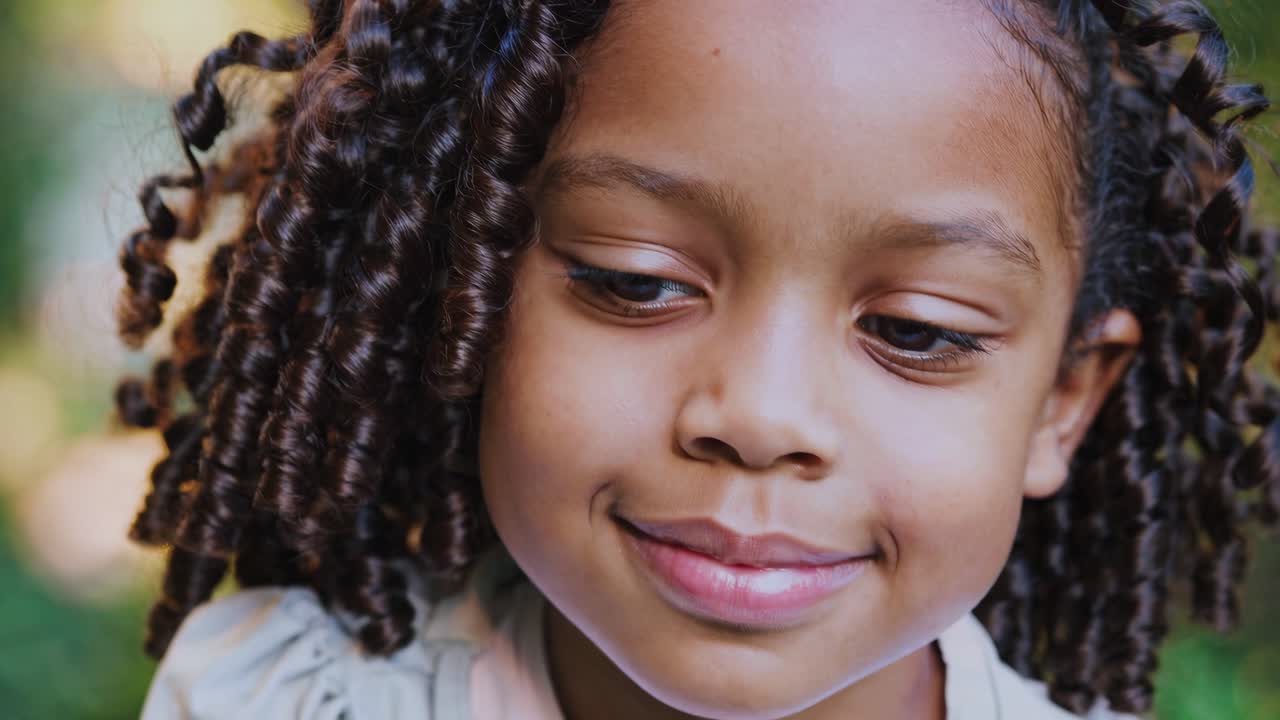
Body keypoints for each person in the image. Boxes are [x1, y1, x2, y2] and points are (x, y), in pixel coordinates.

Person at [113, 0, 1280, 717]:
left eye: (916, 330)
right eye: (634, 280)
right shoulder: (265, 704)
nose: (759, 415)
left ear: (1058, 406)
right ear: (467, 295)